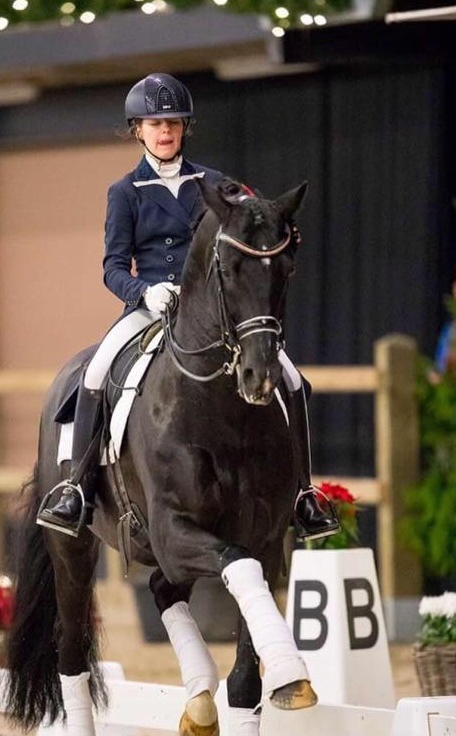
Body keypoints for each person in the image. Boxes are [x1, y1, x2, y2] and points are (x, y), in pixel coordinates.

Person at [36, 72, 339, 544]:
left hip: (210, 310)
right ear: (138, 130)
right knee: (94, 373)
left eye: (174, 123)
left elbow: (257, 219)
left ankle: (304, 494)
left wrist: (281, 228)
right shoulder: (125, 192)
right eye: (156, 124)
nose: (166, 131)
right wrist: (144, 292)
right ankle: (76, 487)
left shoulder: (216, 183)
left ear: (184, 128)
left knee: (293, 380)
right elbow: (112, 267)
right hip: (151, 308)